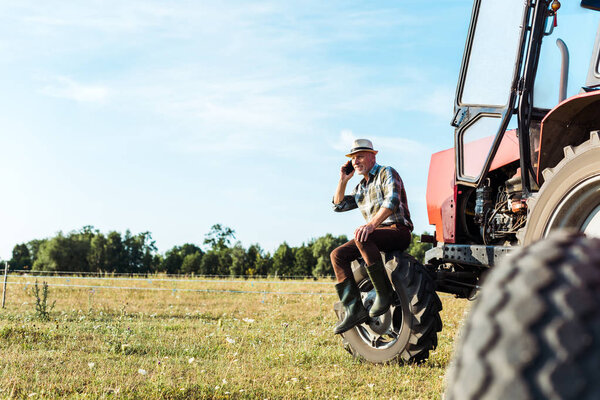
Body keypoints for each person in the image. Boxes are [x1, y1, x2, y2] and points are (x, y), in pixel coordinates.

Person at [330, 138, 413, 334]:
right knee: (337, 255)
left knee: (362, 236)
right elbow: (338, 205)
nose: (355, 161)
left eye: (359, 156)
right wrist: (343, 180)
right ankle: (354, 310)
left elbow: (392, 201)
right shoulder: (360, 188)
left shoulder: (387, 172)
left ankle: (384, 294)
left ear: (373, 155)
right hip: (373, 234)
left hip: (397, 230)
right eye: (353, 158)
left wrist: (370, 225)